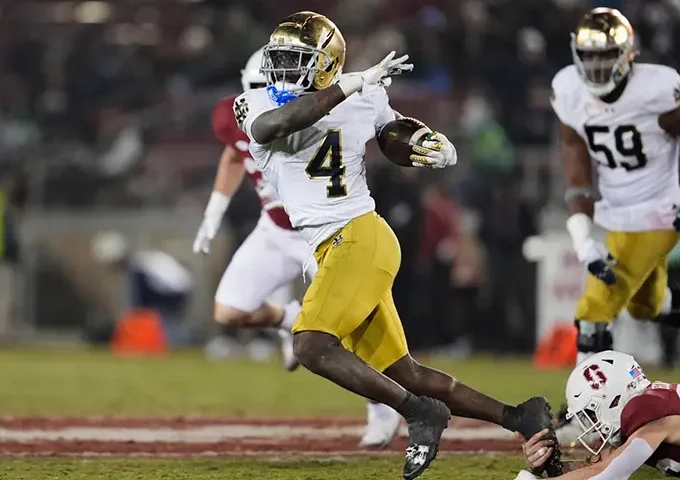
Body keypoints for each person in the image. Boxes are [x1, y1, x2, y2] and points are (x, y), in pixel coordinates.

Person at [235, 11, 560, 479]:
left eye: (297, 60)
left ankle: (421, 414)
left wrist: (426, 141)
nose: (283, 71)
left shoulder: (363, 92)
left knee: (309, 345)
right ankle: (520, 417)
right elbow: (276, 126)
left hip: (358, 236)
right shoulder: (256, 103)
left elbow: (390, 132)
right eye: (280, 60)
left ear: (325, 63)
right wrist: (350, 85)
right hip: (334, 245)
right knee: (405, 373)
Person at [194, 48, 402, 448]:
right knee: (229, 310)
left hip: (324, 233)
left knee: (347, 335)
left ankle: (382, 405)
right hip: (274, 230)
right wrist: (213, 211)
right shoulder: (240, 114)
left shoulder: (318, 111)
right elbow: (233, 154)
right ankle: (291, 317)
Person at [551, 8, 680, 372]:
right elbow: (576, 172)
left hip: (659, 211)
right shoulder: (568, 91)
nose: (596, 67)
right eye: (588, 56)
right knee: (646, 305)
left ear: (628, 55)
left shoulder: (655, 90)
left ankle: (582, 408)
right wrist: (582, 241)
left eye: (605, 56)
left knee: (593, 309)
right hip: (616, 213)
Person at [514, 350, 680, 480]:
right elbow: (595, 467)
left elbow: (611, 475)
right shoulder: (649, 407)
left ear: (613, 399)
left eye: (591, 413)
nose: (593, 423)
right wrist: (548, 464)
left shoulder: (654, 418)